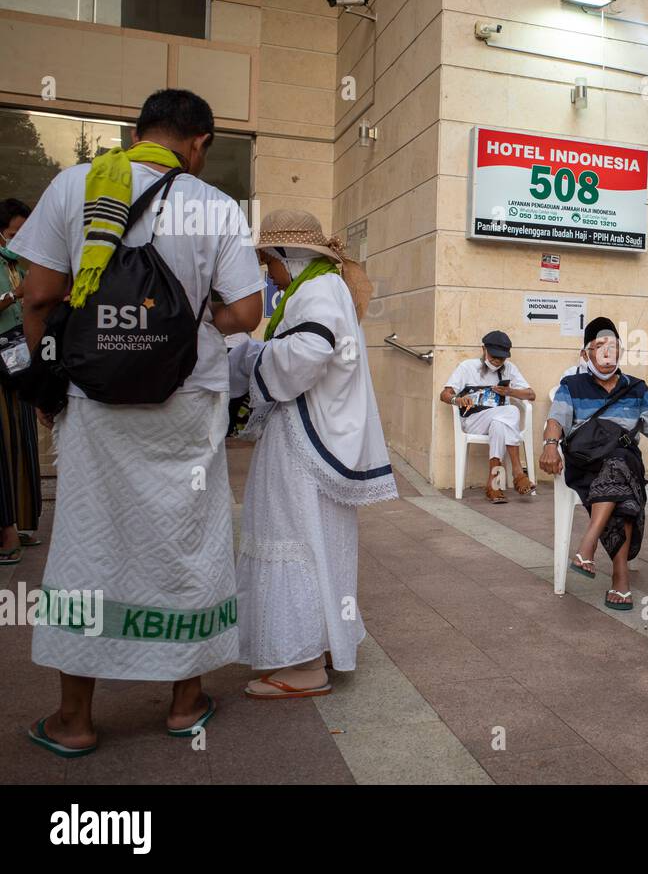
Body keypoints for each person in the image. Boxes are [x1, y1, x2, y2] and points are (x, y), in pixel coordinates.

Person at [13, 89, 263, 755]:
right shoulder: (215, 206)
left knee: (88, 543)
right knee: (188, 540)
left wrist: (46, 380)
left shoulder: (75, 185)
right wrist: (191, 320)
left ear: (138, 132)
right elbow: (246, 313)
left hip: (95, 401)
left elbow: (37, 294)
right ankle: (184, 703)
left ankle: (74, 718)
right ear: (200, 143)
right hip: (186, 403)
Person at [229, 209, 397, 699]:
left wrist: (248, 358)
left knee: (292, 538)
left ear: (290, 256)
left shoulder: (315, 291)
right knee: (317, 544)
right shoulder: (322, 287)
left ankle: (303, 664)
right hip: (313, 441)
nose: (269, 272)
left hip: (302, 444)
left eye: (271, 262)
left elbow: (305, 356)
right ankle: (319, 646)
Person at [541, 317, 648, 612]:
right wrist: (550, 445)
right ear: (586, 353)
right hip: (586, 465)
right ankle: (619, 576)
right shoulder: (571, 385)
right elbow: (556, 420)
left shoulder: (637, 388)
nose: (606, 353)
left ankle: (589, 546)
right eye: (599, 346)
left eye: (612, 346)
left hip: (624, 463)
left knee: (620, 460)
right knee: (621, 479)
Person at [441, 330, 536, 502]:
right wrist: (458, 399)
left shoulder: (510, 369)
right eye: (494, 356)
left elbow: (531, 395)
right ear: (483, 349)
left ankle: (493, 483)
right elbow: (444, 394)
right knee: (512, 411)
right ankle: (517, 471)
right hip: (473, 420)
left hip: (497, 420)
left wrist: (510, 391)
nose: (497, 361)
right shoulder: (467, 367)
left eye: (502, 358)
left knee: (499, 424)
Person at [0, 198, 42, 565]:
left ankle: (24, 522)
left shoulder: (15, 263)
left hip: (16, 356)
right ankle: (6, 531)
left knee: (22, 435)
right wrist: (16, 293)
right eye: (13, 233)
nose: (18, 240)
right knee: (4, 441)